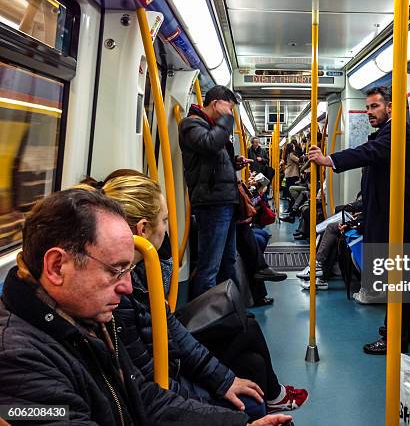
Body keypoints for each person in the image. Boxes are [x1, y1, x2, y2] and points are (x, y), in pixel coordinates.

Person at [0, 188, 292, 426]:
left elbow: (143, 398)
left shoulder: (88, 319)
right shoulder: (18, 361)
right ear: (56, 266)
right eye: (115, 270)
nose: (127, 286)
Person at [90, 175, 307, 416]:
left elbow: (170, 330)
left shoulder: (138, 271)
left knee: (252, 360)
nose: (166, 227)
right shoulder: (121, 294)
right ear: (142, 229)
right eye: (164, 220)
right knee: (251, 380)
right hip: (167, 386)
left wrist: (223, 381)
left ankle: (274, 401)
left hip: (172, 363)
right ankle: (273, 402)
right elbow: (150, 386)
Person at [308, 85, 410, 355]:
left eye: (374, 106)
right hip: (391, 217)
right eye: (367, 107)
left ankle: (393, 336)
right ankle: (403, 331)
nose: (369, 112)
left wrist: (329, 160)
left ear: (391, 107)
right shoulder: (386, 134)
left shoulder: (397, 133)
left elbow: (366, 153)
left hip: (401, 220)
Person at [179, 85, 251, 298]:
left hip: (224, 201)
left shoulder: (210, 127)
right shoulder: (190, 124)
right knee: (210, 266)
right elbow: (209, 145)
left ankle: (229, 309)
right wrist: (227, 120)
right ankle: (205, 319)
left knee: (228, 260)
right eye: (229, 108)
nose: (231, 113)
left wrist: (234, 163)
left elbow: (212, 160)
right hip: (211, 203)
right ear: (215, 103)